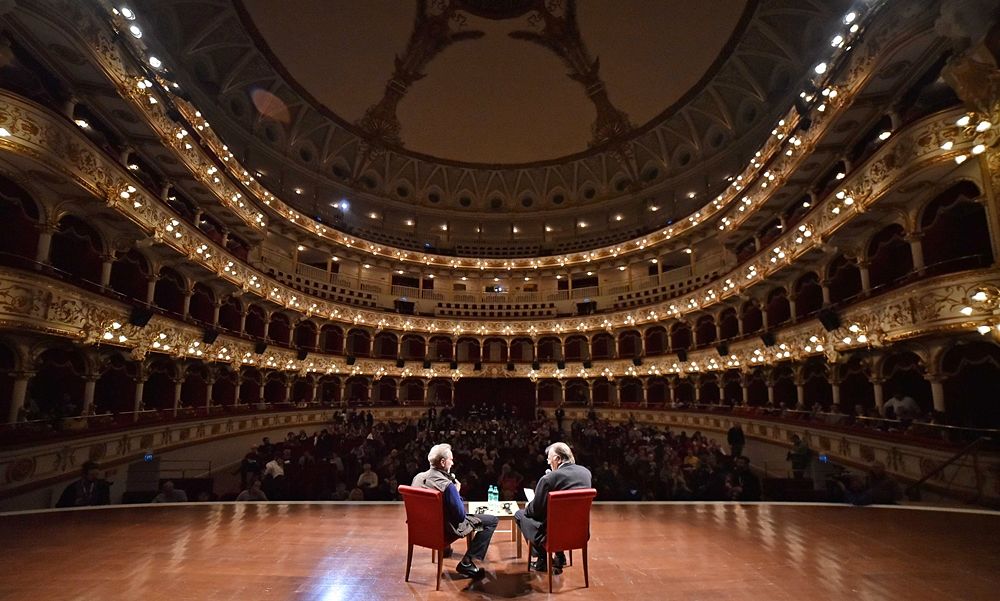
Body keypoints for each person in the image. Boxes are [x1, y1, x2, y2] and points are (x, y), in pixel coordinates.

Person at [412, 443, 498, 580]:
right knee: (491, 521)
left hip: (423, 529)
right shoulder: (447, 485)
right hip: (444, 529)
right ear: (442, 462)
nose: (452, 462)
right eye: (451, 459)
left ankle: (446, 550)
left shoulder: (417, 478)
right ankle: (467, 562)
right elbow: (460, 516)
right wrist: (456, 492)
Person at [514, 442, 592, 574]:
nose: (549, 463)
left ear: (557, 458)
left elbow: (535, 512)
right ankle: (560, 556)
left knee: (520, 515)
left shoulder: (549, 478)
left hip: (554, 534)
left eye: (549, 459)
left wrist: (529, 506)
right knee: (555, 516)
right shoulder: (586, 473)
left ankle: (542, 559)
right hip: (579, 533)